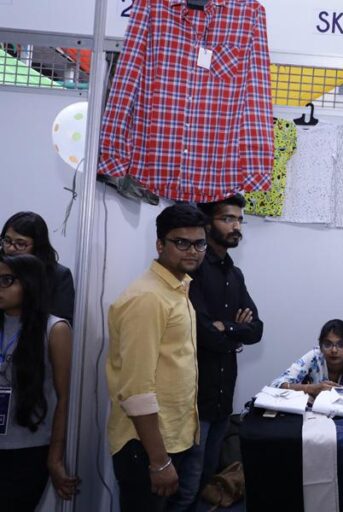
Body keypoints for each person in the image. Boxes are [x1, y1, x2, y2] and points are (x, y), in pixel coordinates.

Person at [106, 204, 208, 512]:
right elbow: (136, 390)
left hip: (173, 438)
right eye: (182, 243)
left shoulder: (177, 288)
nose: (193, 251)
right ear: (160, 244)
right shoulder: (148, 298)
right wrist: (159, 461)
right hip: (148, 445)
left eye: (199, 243)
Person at [179, 195, 264, 510]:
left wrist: (226, 327)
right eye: (227, 218)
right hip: (193, 398)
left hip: (223, 396)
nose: (236, 226)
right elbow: (200, 331)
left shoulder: (234, 273)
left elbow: (256, 329)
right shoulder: (194, 269)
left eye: (239, 220)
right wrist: (234, 331)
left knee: (206, 480)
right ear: (207, 223)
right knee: (186, 489)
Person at [0, 254, 78, 510]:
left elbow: (63, 399)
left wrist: (55, 459)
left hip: (28, 451)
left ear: (30, 283)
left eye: (6, 280)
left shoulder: (54, 329)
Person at [272, 319, 343, 399]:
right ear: (320, 345)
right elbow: (276, 385)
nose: (334, 350)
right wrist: (310, 388)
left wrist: (340, 390)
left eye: (341, 345)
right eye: (327, 344)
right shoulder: (315, 356)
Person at [1, 212, 75, 323]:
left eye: (20, 244)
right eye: (7, 241)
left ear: (37, 246)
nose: (11, 248)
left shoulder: (59, 275)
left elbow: (62, 322)